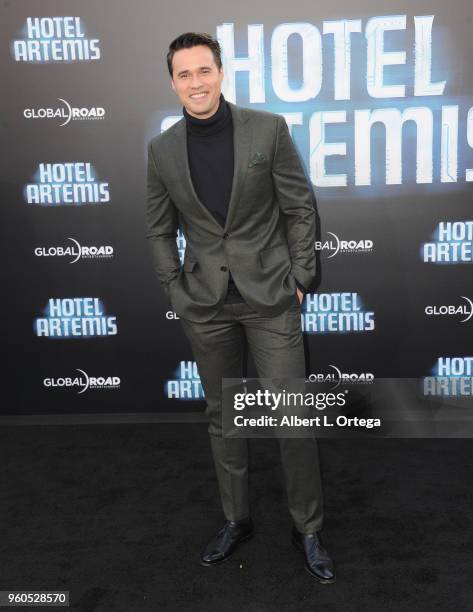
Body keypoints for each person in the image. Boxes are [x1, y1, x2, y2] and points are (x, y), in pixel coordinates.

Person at [146, 32, 335, 583]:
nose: (196, 83)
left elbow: (299, 207)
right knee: (225, 421)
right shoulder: (161, 150)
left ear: (221, 73)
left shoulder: (267, 129)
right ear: (174, 82)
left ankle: (309, 529)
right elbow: (158, 228)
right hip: (205, 304)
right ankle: (237, 519)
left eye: (204, 71)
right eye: (184, 75)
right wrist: (174, 289)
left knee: (290, 419)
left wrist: (302, 275)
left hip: (271, 298)